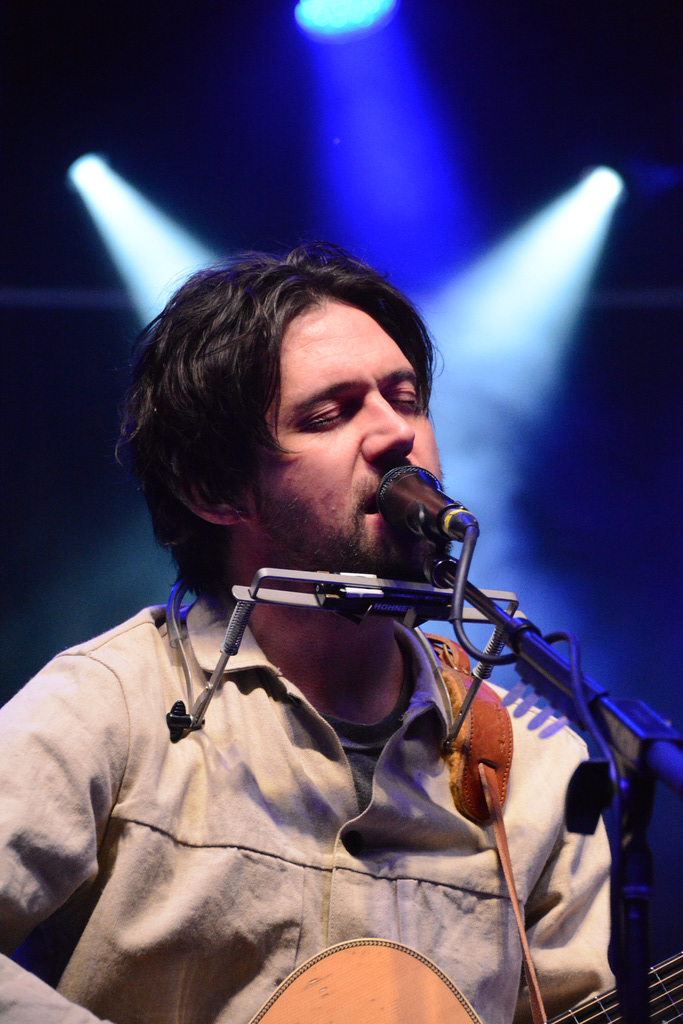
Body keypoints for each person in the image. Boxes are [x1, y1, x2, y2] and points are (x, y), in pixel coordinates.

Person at [0, 243, 613, 1024]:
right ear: (214, 488)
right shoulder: (110, 705)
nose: (396, 434)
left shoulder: (534, 770)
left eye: (406, 397)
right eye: (330, 413)